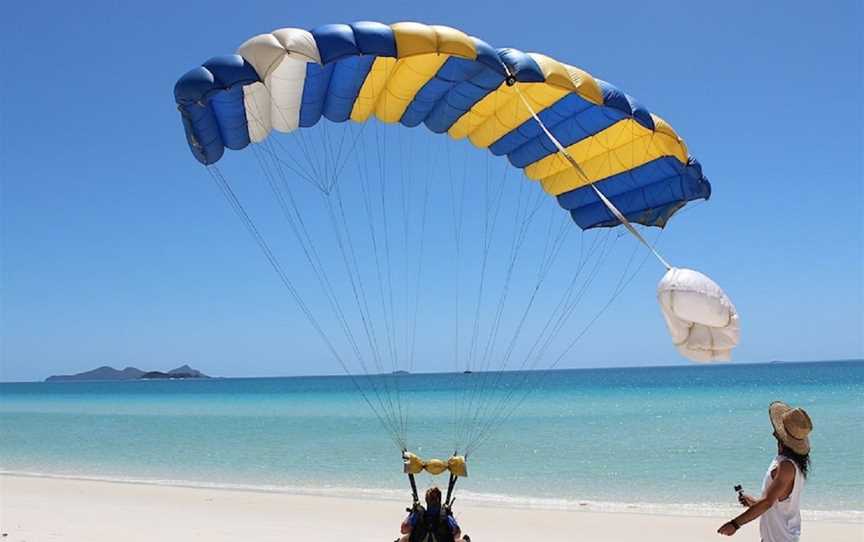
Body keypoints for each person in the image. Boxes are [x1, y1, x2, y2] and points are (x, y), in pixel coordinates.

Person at [717, 401, 813, 540]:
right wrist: (755, 503)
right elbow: (777, 504)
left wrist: (735, 524)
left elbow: (768, 502)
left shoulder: (787, 466)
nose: (774, 430)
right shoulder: (792, 464)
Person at [398, 487, 468, 542]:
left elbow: (403, 530)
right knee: (463, 540)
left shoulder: (418, 514)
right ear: (439, 500)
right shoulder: (445, 515)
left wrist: (412, 512)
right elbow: (457, 534)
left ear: (426, 500)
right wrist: (450, 515)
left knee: (405, 538)